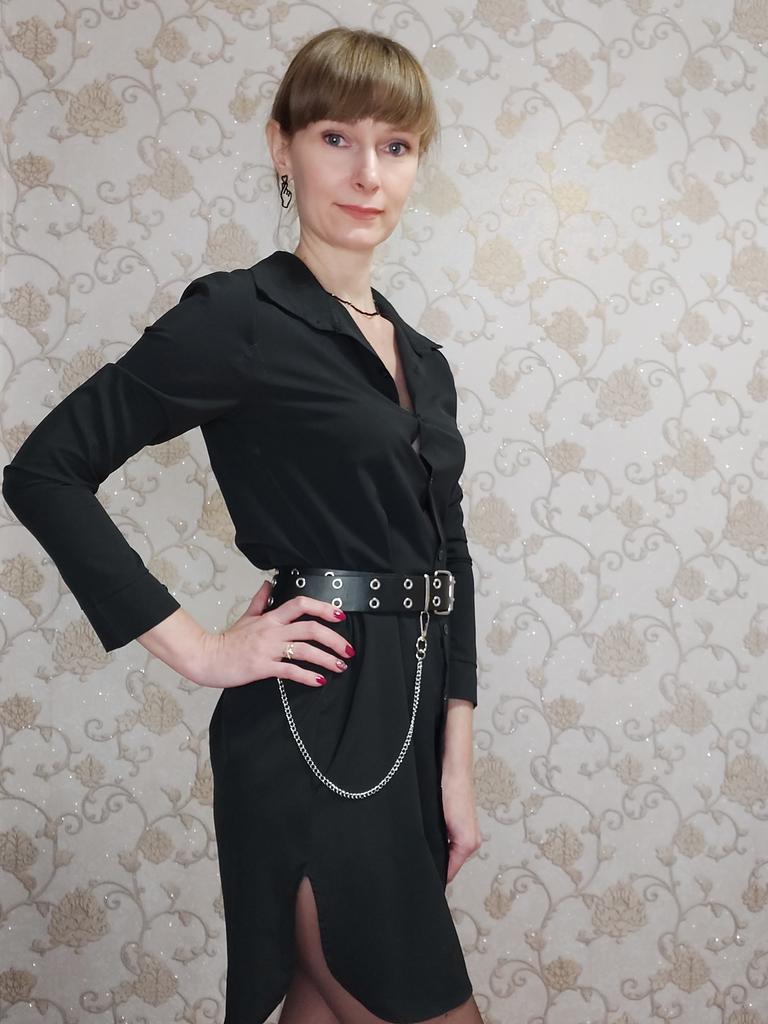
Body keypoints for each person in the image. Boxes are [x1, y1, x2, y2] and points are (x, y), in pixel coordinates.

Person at [2, 26, 482, 1024]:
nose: (368, 173)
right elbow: (45, 471)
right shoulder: (241, 316)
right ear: (281, 148)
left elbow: (450, 561)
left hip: (408, 720)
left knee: (321, 1000)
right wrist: (202, 650)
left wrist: (457, 766)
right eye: (336, 138)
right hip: (314, 716)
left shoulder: (424, 360)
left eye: (395, 146)